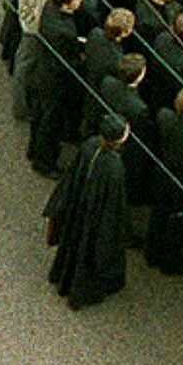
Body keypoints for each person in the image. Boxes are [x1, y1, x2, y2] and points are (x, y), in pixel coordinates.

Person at [44, 115, 131, 308]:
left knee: (72, 243)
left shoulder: (89, 146)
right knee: (87, 252)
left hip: (78, 207)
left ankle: (63, 278)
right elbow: (113, 205)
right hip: (96, 218)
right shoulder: (115, 167)